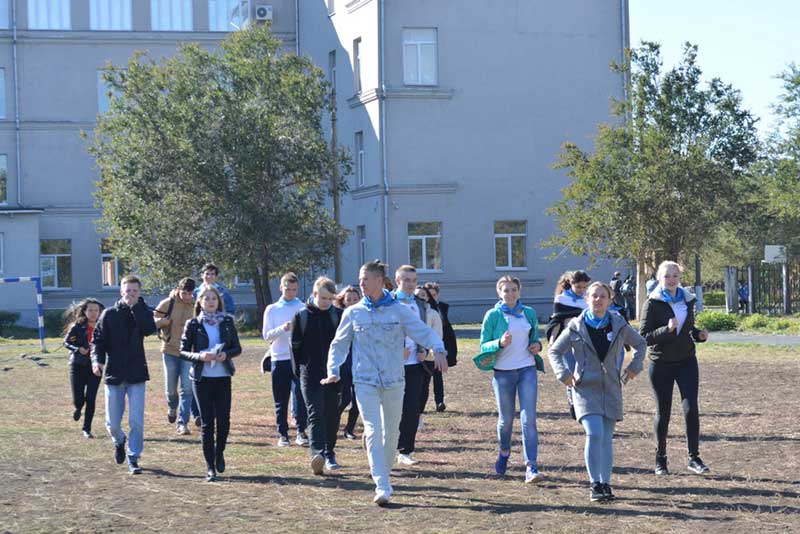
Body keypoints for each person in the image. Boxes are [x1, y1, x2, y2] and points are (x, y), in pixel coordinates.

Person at [323, 260, 447, 505]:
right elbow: (339, 344)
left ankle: (383, 469)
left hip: (393, 379)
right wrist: (333, 369)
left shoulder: (399, 310)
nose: (361, 283)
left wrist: (439, 349)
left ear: (379, 281)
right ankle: (382, 484)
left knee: (391, 433)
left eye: (365, 279)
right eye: (360, 278)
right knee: (372, 428)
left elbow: (421, 331)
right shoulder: (353, 312)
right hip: (364, 379)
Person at [548, 282, 647, 502]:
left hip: (611, 387)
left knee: (606, 438)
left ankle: (606, 483)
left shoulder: (619, 324)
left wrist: (633, 368)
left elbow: (641, 344)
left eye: (603, 296)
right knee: (594, 433)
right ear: (587, 299)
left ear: (610, 300)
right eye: (594, 296)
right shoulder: (575, 326)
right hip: (584, 388)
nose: (598, 299)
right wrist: (563, 374)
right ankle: (594, 484)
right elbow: (554, 351)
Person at [639, 260, 710, 476]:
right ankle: (660, 459)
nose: (671, 280)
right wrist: (666, 330)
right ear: (659, 278)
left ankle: (694, 457)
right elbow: (644, 337)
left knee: (691, 408)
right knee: (664, 411)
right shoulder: (652, 303)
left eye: (675, 276)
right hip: (660, 363)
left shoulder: (687, 300)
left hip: (686, 361)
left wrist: (698, 335)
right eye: (667, 276)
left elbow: (687, 329)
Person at [474, 275, 545, 483]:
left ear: (519, 291)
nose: (511, 294)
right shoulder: (493, 315)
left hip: (527, 370)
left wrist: (538, 346)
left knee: (528, 418)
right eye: (506, 290)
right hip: (503, 372)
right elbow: (483, 346)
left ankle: (531, 466)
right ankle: (504, 451)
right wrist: (499, 342)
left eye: (514, 290)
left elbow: (535, 339)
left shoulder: (528, 313)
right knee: (506, 421)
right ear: (499, 292)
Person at [91, 275, 157, 475]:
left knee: (136, 420)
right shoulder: (109, 314)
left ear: (139, 293)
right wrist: (97, 361)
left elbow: (149, 329)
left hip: (137, 373)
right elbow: (98, 341)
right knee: (112, 423)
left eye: (134, 291)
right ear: (121, 292)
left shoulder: (143, 312)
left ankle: (133, 456)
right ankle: (119, 441)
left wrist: (137, 308)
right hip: (114, 373)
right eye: (127, 291)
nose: (131, 294)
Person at [179, 287, 242, 482]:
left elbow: (237, 348)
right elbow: (182, 351)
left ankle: (219, 452)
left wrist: (226, 354)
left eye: (214, 298)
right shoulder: (193, 324)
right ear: (200, 302)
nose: (211, 301)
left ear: (218, 301)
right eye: (206, 298)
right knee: (207, 423)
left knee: (223, 421)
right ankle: (210, 467)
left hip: (223, 376)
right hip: (201, 378)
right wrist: (200, 356)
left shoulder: (227, 322)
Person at [291, 277, 344, 475]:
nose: (326, 302)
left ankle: (330, 452)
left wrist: (341, 371)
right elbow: (295, 347)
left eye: (330, 299)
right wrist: (298, 372)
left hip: (333, 374)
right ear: (314, 295)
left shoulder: (338, 315)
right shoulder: (301, 316)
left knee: (332, 414)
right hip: (309, 374)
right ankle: (318, 454)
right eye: (322, 298)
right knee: (315, 413)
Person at [393, 265, 440, 466]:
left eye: (413, 280)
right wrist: (397, 350)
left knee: (412, 407)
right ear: (398, 281)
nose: (410, 284)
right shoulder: (389, 302)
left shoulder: (421, 305)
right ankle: (384, 443)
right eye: (406, 280)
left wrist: (425, 349)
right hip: (393, 364)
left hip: (415, 363)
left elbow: (424, 330)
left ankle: (405, 450)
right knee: (392, 407)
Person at [262, 272, 308, 447]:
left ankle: (301, 431)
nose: (291, 293)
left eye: (294, 289)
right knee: (281, 398)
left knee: (300, 395)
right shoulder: (272, 309)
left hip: (298, 358)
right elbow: (266, 335)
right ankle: (282, 433)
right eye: (288, 289)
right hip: (279, 358)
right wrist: (283, 328)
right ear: (281, 288)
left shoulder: (303, 307)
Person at [545, 270, 591, 419]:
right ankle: (574, 404)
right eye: (579, 287)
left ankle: (585, 404)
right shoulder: (562, 299)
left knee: (586, 375)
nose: (582, 290)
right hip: (568, 342)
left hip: (586, 342)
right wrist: (552, 342)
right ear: (571, 284)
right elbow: (557, 321)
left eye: (585, 287)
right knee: (571, 374)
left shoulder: (589, 299)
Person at [154, 277, 196, 435]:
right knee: (171, 388)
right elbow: (153, 319)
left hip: (188, 352)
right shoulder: (168, 303)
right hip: (169, 350)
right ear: (178, 289)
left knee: (187, 388)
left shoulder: (195, 304)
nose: (186, 296)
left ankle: (182, 423)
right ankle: (172, 406)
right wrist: (162, 322)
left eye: (190, 293)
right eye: (184, 293)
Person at [63, 298, 105, 439]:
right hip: (78, 366)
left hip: (96, 367)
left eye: (96, 310)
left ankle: (86, 429)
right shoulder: (77, 327)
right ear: (85, 312)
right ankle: (77, 407)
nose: (93, 313)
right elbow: (66, 342)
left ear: (100, 312)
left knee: (91, 398)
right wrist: (77, 349)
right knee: (79, 398)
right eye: (90, 310)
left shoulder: (103, 327)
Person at [333, 285, 362, 440]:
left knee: (358, 400)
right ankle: (331, 423)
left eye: (355, 299)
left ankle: (349, 429)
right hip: (344, 362)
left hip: (360, 362)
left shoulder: (364, 315)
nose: (352, 302)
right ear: (343, 301)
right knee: (344, 398)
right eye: (348, 299)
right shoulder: (339, 316)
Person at [424, 281, 457, 411]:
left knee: (438, 375)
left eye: (434, 294)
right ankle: (421, 404)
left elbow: (446, 327)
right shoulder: (422, 309)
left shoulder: (442, 307)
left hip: (440, 344)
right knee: (424, 378)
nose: (431, 297)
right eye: (429, 294)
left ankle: (440, 402)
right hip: (425, 345)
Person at [414, 285, 444, 430]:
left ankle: (419, 416)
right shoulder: (408, 312)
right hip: (409, 356)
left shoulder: (433, 314)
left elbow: (437, 335)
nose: (420, 298)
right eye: (417, 295)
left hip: (427, 357)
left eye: (423, 295)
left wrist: (427, 351)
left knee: (422, 387)